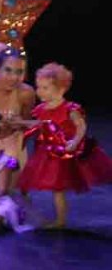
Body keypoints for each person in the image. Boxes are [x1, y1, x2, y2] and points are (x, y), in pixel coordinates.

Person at [19, 62, 112, 229]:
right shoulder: (41, 109)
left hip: (64, 153)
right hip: (47, 152)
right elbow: (38, 125)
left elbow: (81, 126)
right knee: (34, 183)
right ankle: (30, 212)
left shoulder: (70, 109)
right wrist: (18, 123)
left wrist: (74, 142)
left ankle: (60, 220)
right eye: (38, 87)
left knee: (58, 188)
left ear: (61, 89)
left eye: (45, 88)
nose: (40, 91)